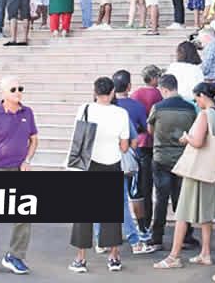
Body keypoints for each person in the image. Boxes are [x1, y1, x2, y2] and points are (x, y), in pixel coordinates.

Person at [154, 81, 215, 270]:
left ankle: (174, 256)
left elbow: (198, 142)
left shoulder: (204, 114)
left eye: (196, 98)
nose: (196, 102)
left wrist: (186, 138)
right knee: (206, 215)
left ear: (202, 96)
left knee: (182, 212)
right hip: (210, 170)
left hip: (197, 169)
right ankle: (205, 253)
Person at [0, 75, 38, 275]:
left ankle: (15, 256)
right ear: (3, 93)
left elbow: (34, 140)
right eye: (13, 89)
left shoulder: (27, 113)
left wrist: (27, 160)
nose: (18, 92)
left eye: (20, 88)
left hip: (18, 170)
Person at [68, 77, 131, 274]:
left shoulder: (85, 108)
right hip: (111, 164)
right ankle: (113, 257)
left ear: (95, 92)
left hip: (88, 165)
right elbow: (124, 145)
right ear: (112, 92)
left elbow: (77, 136)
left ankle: (80, 259)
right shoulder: (121, 113)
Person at [143, 74, 198, 255]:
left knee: (161, 199)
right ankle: (186, 236)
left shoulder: (157, 108)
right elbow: (194, 131)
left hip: (161, 158)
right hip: (182, 159)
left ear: (165, 89)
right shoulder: (190, 108)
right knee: (181, 199)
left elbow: (150, 130)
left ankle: (157, 237)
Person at [111, 70, 150, 254]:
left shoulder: (109, 107)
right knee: (135, 194)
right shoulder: (136, 106)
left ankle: (104, 236)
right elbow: (144, 128)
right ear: (129, 86)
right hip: (131, 156)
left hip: (108, 156)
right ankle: (141, 230)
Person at [130, 65, 164, 247]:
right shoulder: (157, 95)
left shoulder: (135, 94)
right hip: (151, 142)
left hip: (138, 143)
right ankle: (147, 222)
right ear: (154, 78)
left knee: (139, 188)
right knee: (148, 186)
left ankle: (139, 222)